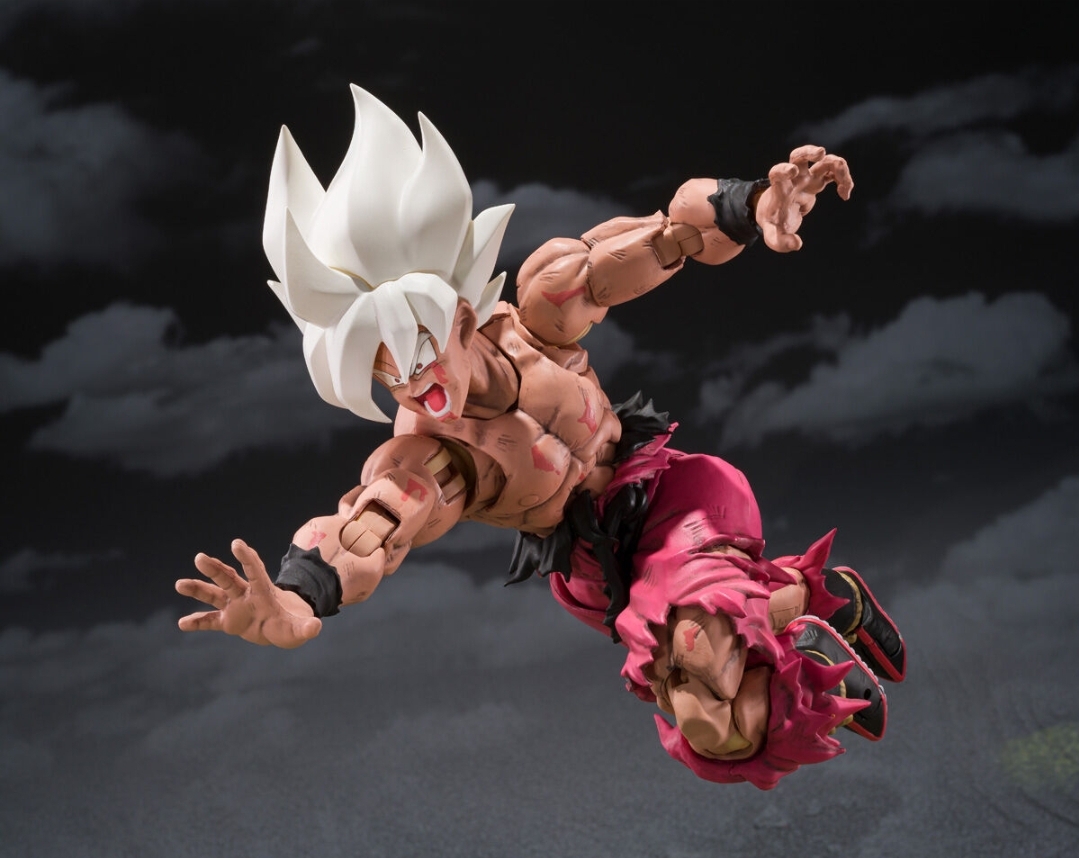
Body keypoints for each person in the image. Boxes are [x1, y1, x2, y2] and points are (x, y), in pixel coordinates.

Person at [176, 86, 906, 790]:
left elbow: (670, 235)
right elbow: (368, 528)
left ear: (460, 317)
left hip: (671, 496)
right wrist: (302, 597)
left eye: (415, 345)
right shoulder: (431, 456)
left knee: (695, 641)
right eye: (379, 366)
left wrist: (750, 204)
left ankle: (798, 655)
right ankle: (807, 599)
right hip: (592, 572)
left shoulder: (540, 318)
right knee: (709, 724)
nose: (408, 379)